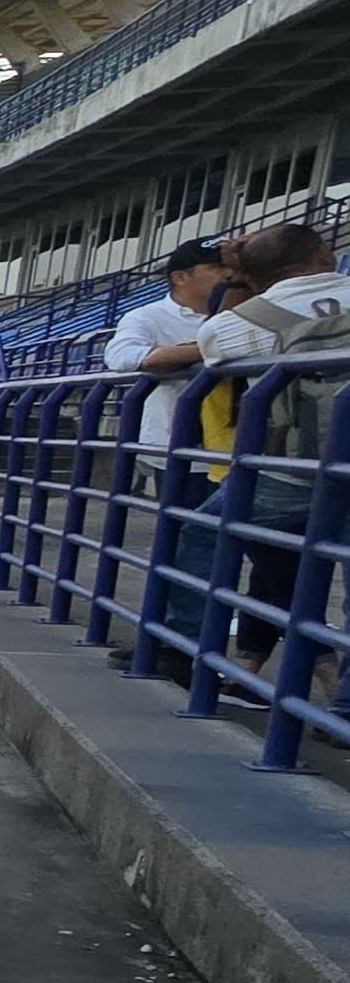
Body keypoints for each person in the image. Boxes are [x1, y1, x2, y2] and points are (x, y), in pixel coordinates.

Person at [196, 223, 350, 675]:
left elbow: (211, 347)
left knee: (202, 531)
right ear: (324, 254)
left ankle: (178, 648)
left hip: (294, 469)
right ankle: (342, 703)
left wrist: (240, 280)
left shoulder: (241, 321)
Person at [106, 240, 231, 452]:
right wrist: (216, 350)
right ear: (180, 277)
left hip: (235, 447)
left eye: (230, 266)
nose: (228, 273)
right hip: (168, 445)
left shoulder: (243, 313)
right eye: (216, 267)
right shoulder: (147, 316)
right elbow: (121, 356)